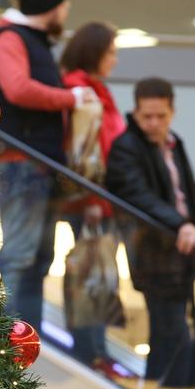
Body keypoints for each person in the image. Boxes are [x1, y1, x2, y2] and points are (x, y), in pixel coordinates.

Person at [0, 0, 90, 329]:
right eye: (63, 4)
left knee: (38, 258)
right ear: (51, 5)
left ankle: (25, 337)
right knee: (21, 255)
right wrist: (71, 98)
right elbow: (17, 89)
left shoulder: (26, 39)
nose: (67, 10)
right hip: (21, 161)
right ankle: (6, 336)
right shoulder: (9, 38)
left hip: (36, 163)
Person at [105, 77, 195, 388]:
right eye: (146, 116)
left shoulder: (175, 143)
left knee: (177, 337)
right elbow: (138, 196)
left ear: (172, 112)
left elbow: (189, 200)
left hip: (181, 252)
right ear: (135, 112)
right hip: (153, 255)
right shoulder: (126, 147)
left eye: (161, 116)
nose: (153, 123)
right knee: (173, 336)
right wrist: (182, 226)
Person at [59, 22, 126, 370]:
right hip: (92, 200)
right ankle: (90, 353)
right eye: (111, 52)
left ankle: (97, 350)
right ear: (95, 51)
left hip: (102, 198)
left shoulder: (97, 89)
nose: (115, 59)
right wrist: (93, 201)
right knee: (91, 275)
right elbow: (84, 153)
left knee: (99, 275)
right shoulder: (80, 89)